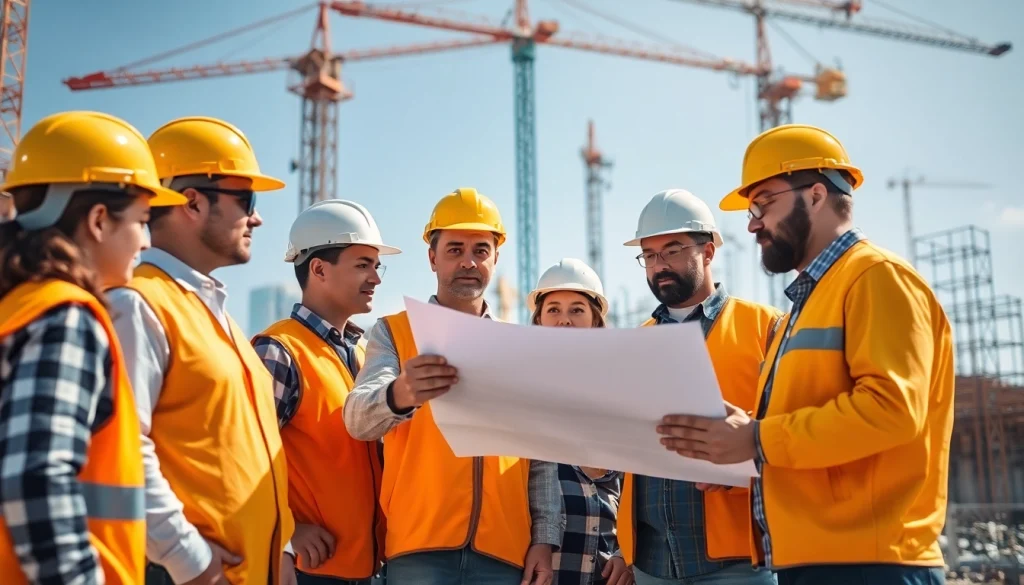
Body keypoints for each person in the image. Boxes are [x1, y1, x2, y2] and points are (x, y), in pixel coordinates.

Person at [657, 124, 955, 585]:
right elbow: (812, 431)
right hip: (817, 560)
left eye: (764, 203)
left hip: (872, 564)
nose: (752, 223)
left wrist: (757, 439)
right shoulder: (808, 303)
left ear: (816, 195)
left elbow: (893, 412)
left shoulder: (877, 278)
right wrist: (743, 456)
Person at [107, 116, 297, 585]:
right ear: (192, 202)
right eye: (246, 200)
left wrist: (283, 552)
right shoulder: (138, 303)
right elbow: (125, 449)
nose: (257, 217)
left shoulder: (221, 320)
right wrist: (187, 559)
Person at [342, 187, 564, 585]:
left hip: (505, 552)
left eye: (481, 250)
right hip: (419, 548)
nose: (469, 261)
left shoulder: (523, 349)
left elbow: (541, 459)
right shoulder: (394, 332)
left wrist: (545, 540)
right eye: (455, 249)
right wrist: (401, 393)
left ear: (495, 258)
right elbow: (358, 419)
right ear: (432, 257)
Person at [0, 111, 186, 584]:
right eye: (142, 221)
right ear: (99, 220)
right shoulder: (64, 315)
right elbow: (36, 480)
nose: (145, 242)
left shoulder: (16, 306)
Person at [618, 189, 782, 585]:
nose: (660, 265)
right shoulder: (633, 344)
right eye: (650, 255)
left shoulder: (766, 327)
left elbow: (791, 429)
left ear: (708, 252)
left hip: (741, 558)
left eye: (672, 251)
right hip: (651, 562)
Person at [252, 199, 401, 585]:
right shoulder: (279, 350)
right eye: (362, 265)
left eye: (376, 265)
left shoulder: (367, 354)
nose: (376, 278)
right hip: (309, 570)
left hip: (367, 568)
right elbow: (243, 456)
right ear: (318, 269)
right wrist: (288, 530)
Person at [527, 258, 633, 585]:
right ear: (539, 322)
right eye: (554, 310)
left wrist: (626, 552)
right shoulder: (521, 392)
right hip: (543, 568)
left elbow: (630, 487)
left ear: (595, 322)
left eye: (577, 310)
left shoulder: (620, 398)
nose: (564, 321)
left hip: (605, 570)